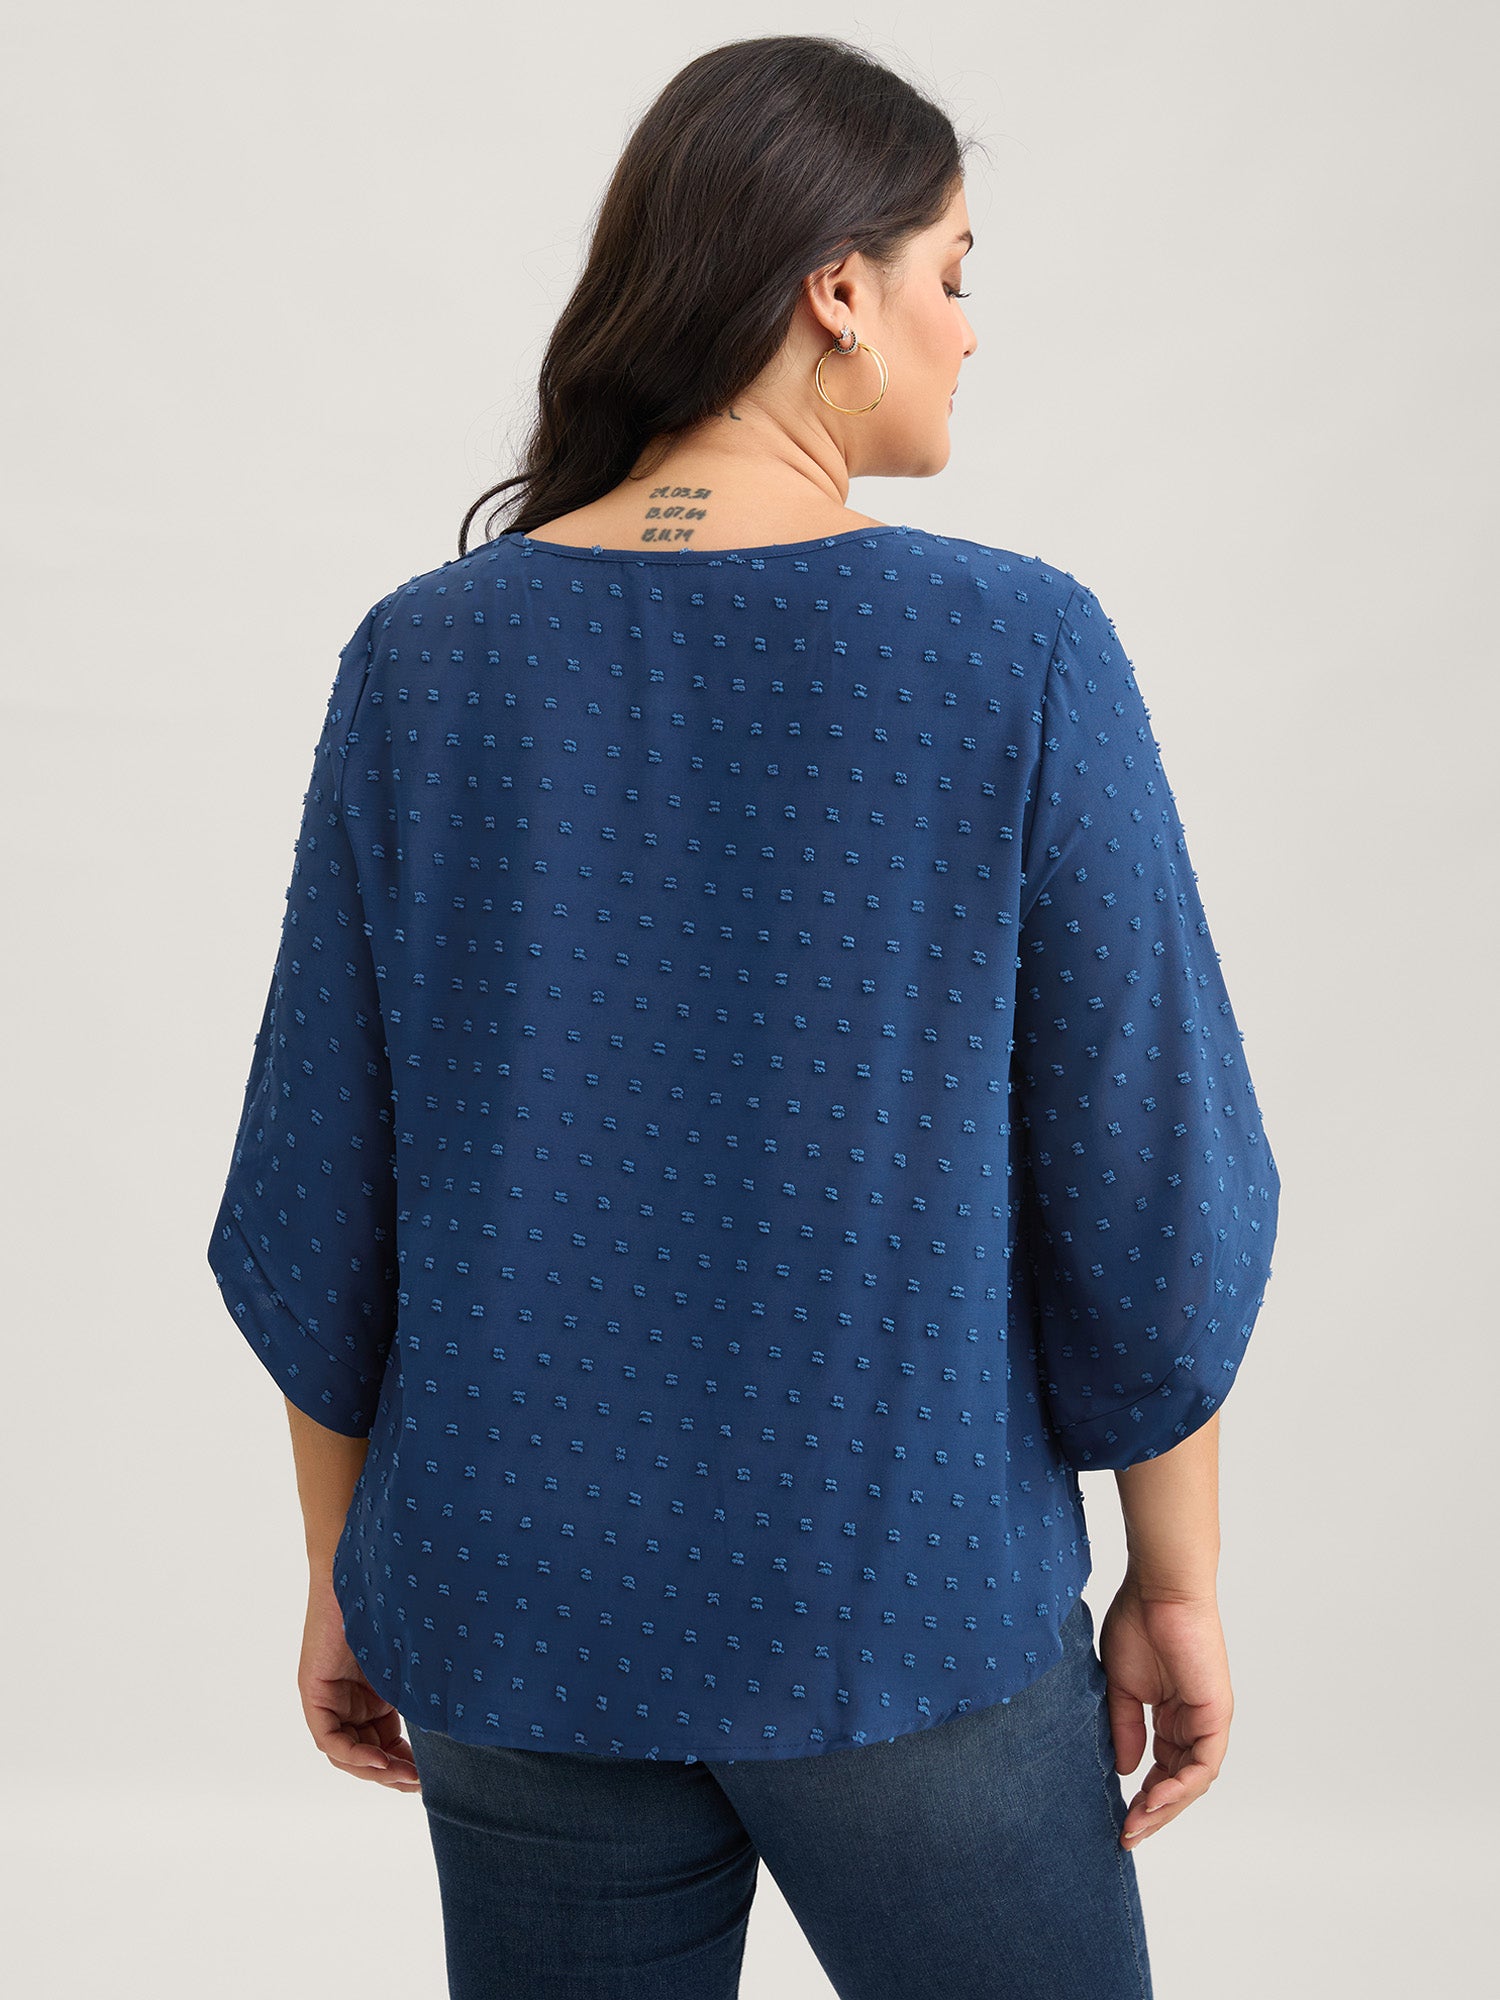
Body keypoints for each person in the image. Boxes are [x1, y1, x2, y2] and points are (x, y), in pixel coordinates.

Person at [206, 32, 1281, 2000]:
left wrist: (345, 1562)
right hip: (902, 1598)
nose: (971, 328)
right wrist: (1181, 1581)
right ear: (837, 288)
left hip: (514, 1608)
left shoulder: (419, 664)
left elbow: (320, 1186)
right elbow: (1145, 1179)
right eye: (953, 269)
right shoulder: (1018, 649)